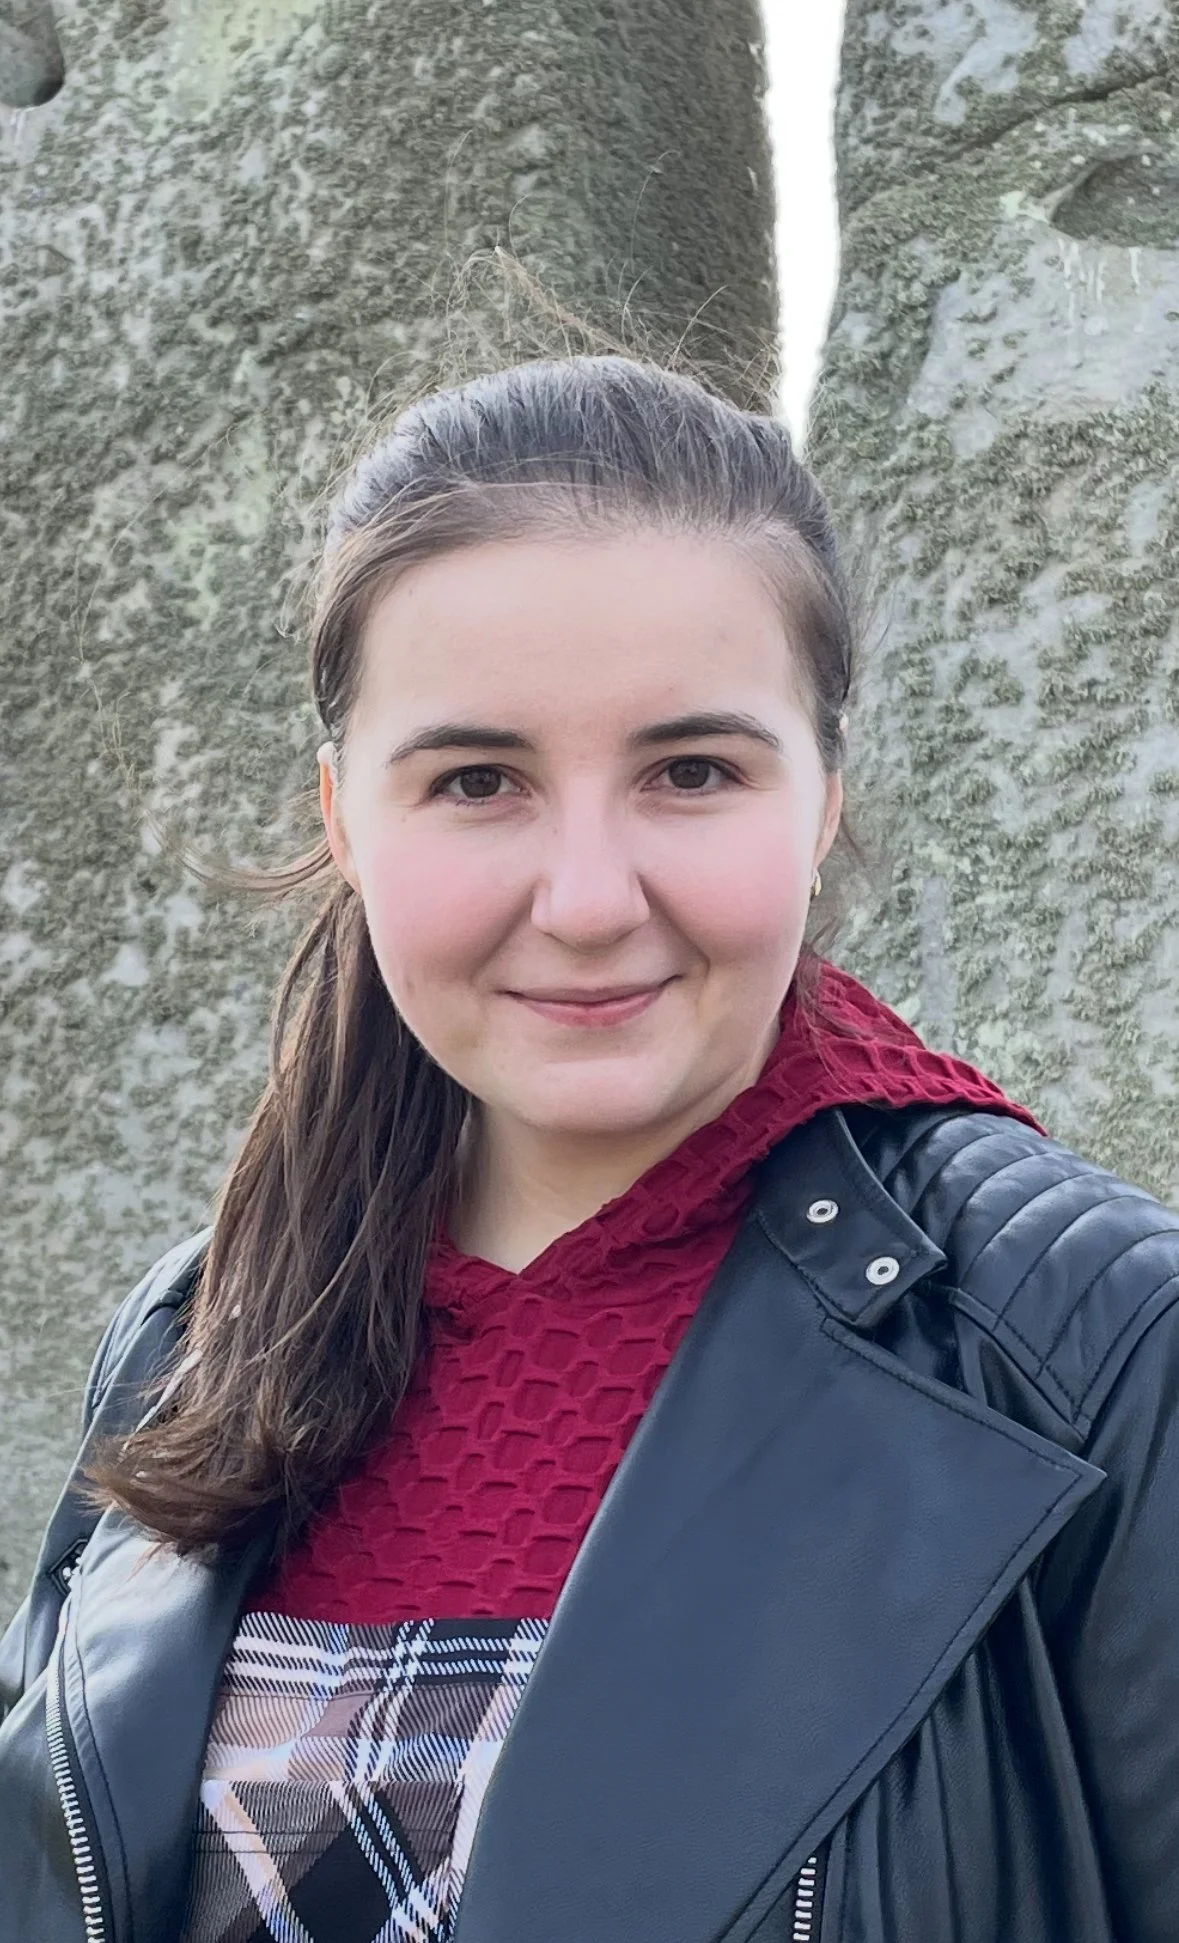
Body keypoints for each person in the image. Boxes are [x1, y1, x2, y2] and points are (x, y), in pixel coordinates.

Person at [2, 354, 1178, 1943]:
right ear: (347, 819)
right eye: (476, 780)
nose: (586, 899)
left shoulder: (1095, 1349)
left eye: (689, 772)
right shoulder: (191, 1338)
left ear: (821, 795)